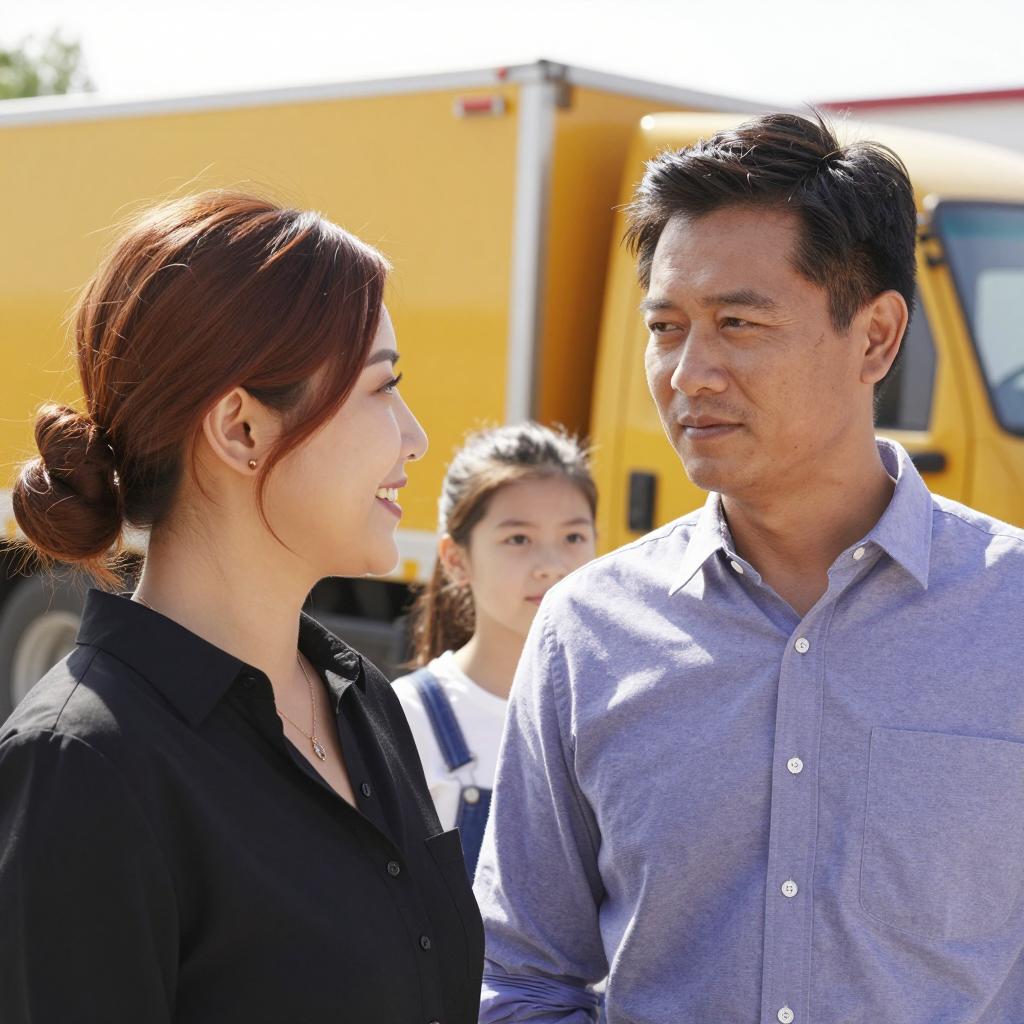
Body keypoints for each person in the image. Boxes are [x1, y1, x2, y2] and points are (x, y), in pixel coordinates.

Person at [473, 112, 1024, 1023]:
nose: (689, 373)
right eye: (667, 327)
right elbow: (522, 974)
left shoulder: (1010, 614)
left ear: (877, 338)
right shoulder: (586, 632)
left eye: (738, 322)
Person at [0, 191, 484, 1023]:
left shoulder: (361, 699)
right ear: (241, 430)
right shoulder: (81, 766)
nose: (415, 436)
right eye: (382, 388)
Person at [392, 422, 597, 877]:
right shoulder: (410, 717)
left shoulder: (619, 703)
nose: (552, 566)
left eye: (573, 537)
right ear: (456, 559)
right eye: (518, 539)